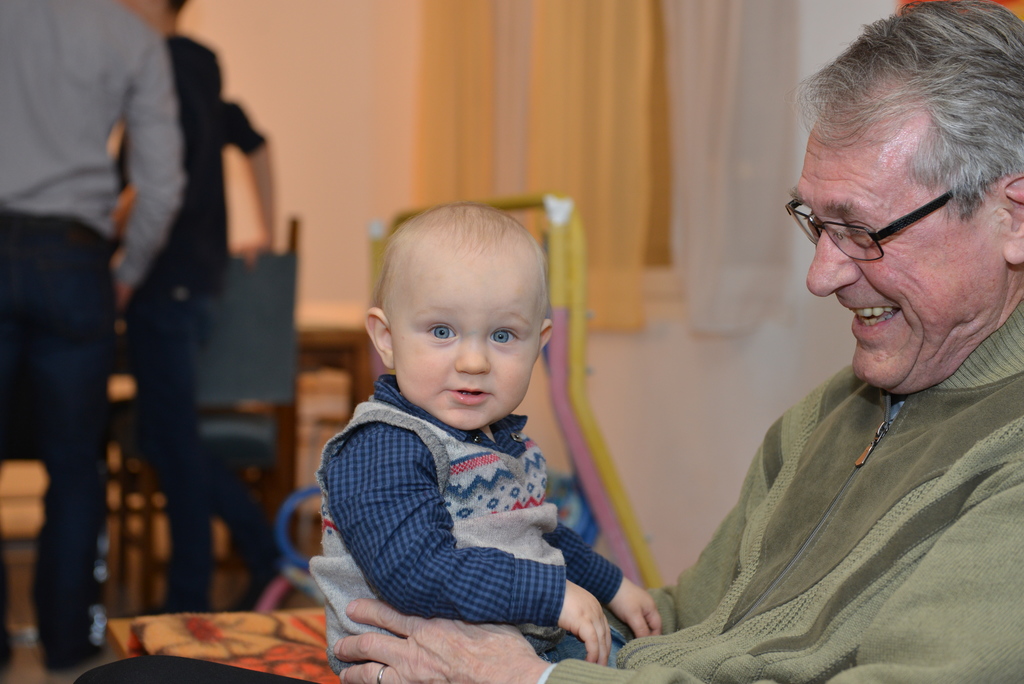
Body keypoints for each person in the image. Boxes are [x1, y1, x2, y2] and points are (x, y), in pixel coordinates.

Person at [70, 0, 1024, 682]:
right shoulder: (833, 412)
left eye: (863, 231)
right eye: (814, 223)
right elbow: (681, 618)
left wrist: (530, 679)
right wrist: (596, 608)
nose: (822, 274)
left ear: (1013, 216)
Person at [310, 202, 660, 672]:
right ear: (387, 338)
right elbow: (415, 570)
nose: (473, 362)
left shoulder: (500, 442)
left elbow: (538, 534)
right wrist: (551, 594)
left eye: (502, 335)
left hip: (521, 642)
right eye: (442, 331)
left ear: (539, 343)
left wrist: (613, 586)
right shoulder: (383, 445)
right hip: (417, 662)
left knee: (644, 654)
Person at [0, 0, 184, 670]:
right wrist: (126, 273)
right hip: (74, 260)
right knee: (75, 465)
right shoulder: (131, 35)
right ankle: (67, 643)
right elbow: (161, 185)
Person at [117, 0, 280, 613]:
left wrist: (113, 227)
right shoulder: (196, 70)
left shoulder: (163, 66)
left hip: (166, 280)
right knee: (167, 436)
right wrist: (266, 232)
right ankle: (261, 555)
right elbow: (254, 141)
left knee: (174, 443)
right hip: (193, 281)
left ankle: (193, 591)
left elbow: (163, 184)